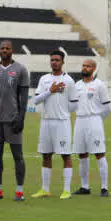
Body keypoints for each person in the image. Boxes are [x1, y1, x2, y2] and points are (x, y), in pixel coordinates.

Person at [0, 40, 29, 201]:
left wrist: (21, 118)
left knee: (18, 156)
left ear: (12, 51)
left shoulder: (20, 70)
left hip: (12, 120)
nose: (5, 50)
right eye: (2, 48)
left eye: (7, 48)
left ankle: (19, 191)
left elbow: (24, 98)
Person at [31, 50, 78, 199]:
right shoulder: (44, 79)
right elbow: (36, 100)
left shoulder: (69, 81)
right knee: (46, 155)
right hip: (46, 122)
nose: (54, 62)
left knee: (65, 155)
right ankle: (45, 189)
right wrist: (50, 91)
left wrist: (63, 112)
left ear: (63, 62)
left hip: (62, 123)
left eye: (57, 60)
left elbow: (74, 104)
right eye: (52, 60)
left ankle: (66, 190)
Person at [72, 59, 111, 197]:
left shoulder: (99, 85)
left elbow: (107, 107)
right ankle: (85, 186)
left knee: (99, 154)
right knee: (82, 155)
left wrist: (98, 121)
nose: (85, 68)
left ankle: (104, 187)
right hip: (80, 121)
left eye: (88, 66)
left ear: (93, 69)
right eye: (83, 65)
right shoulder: (77, 85)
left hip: (94, 121)